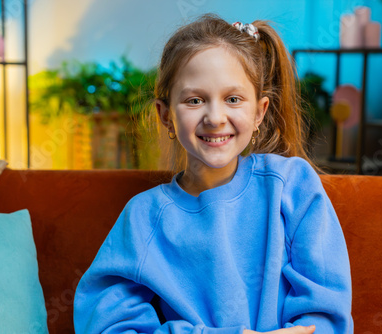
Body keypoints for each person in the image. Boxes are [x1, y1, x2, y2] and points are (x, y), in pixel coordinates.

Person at [74, 14, 353, 334]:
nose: (215, 117)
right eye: (195, 100)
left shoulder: (291, 186)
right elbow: (106, 324)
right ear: (165, 115)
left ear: (259, 111)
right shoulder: (143, 216)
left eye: (233, 99)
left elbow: (326, 310)